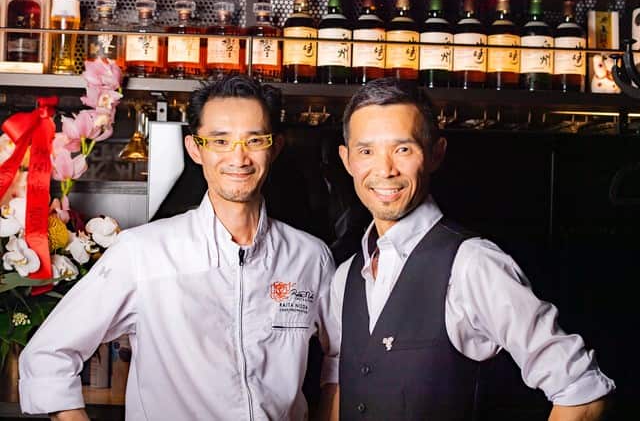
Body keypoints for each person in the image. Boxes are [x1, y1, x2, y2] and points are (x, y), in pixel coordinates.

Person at [19, 75, 338, 421]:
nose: (239, 157)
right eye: (220, 141)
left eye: (254, 140)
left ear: (274, 148)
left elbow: (340, 360)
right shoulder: (143, 252)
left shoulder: (310, 257)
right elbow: (48, 355)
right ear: (195, 149)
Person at [327, 78, 615, 421]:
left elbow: (583, 393)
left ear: (435, 154)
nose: (385, 169)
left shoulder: (472, 264)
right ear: (347, 160)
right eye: (366, 151)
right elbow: (343, 387)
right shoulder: (345, 276)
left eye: (403, 149)